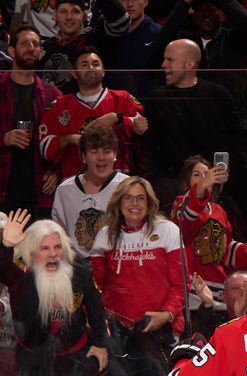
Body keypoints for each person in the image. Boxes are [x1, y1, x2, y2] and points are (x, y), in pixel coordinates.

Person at [90, 175, 184, 376]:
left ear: (150, 203)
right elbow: (96, 288)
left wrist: (166, 315)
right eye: (128, 198)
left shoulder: (168, 231)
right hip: (117, 331)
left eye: (141, 198)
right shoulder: (104, 236)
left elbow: (181, 286)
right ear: (119, 203)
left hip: (157, 330)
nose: (134, 204)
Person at [0, 210, 108, 376]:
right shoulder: (21, 273)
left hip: (73, 349)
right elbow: (3, 269)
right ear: (31, 253)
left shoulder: (79, 270)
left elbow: (96, 309)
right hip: (30, 349)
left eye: (58, 247)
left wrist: (100, 343)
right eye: (44, 249)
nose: (53, 254)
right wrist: (6, 245)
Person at [139, 39, 247, 206]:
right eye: (164, 59)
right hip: (170, 190)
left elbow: (234, 141)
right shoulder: (155, 99)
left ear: (189, 64)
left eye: (170, 60)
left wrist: (219, 181)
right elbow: (149, 152)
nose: (163, 65)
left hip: (213, 188)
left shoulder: (217, 95)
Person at [39, 47, 149, 182]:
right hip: (74, 181)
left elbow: (140, 129)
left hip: (118, 180)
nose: (91, 67)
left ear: (103, 72)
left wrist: (117, 118)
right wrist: (70, 139)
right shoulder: (58, 105)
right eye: (84, 65)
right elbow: (44, 148)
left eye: (95, 64)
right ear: (74, 73)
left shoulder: (123, 98)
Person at [172, 155, 247, 307]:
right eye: (197, 175)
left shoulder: (219, 210)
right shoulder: (181, 202)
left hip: (220, 290)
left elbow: (224, 250)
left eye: (207, 174)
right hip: (192, 290)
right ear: (185, 182)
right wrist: (202, 186)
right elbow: (187, 216)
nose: (204, 178)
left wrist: (245, 250)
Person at [0, 26, 62, 216]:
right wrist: (4, 139)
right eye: (25, 43)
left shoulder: (53, 94)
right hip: (3, 187)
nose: (31, 48)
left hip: (38, 190)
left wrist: (55, 170)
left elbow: (63, 140)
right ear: (11, 51)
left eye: (36, 44)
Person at [50, 126, 129, 256]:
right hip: (76, 266)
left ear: (115, 155)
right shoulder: (64, 190)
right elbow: (58, 234)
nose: (101, 157)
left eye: (107, 151)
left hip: (116, 263)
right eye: (94, 152)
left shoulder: (126, 187)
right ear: (84, 157)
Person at [37, 0, 131, 96]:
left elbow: (122, 22)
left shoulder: (97, 37)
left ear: (85, 16)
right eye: (63, 12)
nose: (69, 17)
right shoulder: (45, 47)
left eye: (75, 12)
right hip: (52, 108)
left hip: (91, 107)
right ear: (55, 15)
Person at [190, 268, 247, 337]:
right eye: (236, 288)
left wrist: (241, 315)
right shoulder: (216, 325)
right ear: (224, 296)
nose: (243, 293)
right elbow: (200, 339)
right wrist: (207, 304)